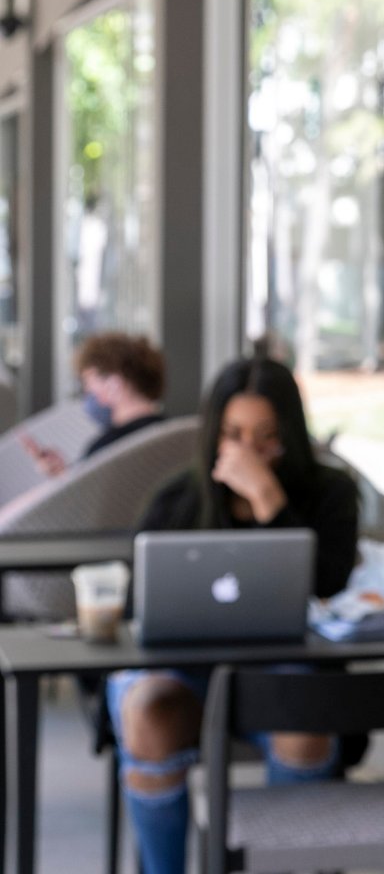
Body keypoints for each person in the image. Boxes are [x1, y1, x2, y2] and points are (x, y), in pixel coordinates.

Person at [106, 356, 359, 874]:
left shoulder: (330, 492)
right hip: (179, 672)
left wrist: (267, 498)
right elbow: (138, 609)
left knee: (305, 721)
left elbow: (329, 580)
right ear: (213, 434)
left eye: (266, 435)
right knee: (149, 710)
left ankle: (284, 864)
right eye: (234, 434)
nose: (249, 450)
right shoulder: (178, 498)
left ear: (290, 431)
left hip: (284, 669)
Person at [21, 331, 166, 475]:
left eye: (87, 382)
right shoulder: (175, 436)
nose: (87, 391)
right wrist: (65, 473)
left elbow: (85, 496)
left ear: (114, 384)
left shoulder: (106, 450)